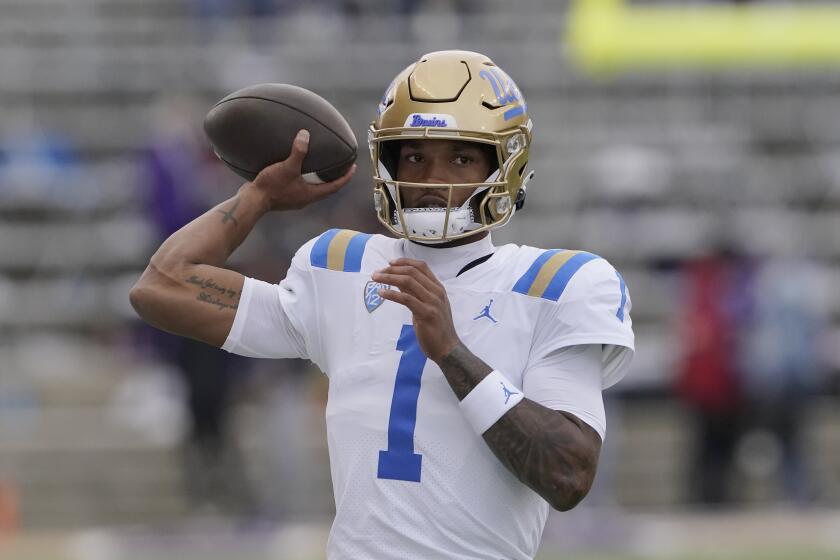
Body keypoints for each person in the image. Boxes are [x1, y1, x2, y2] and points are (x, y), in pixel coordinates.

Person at [130, 50, 634, 560]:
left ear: (506, 164)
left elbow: (568, 475)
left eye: (460, 157)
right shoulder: (340, 265)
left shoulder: (557, 284)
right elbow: (161, 286)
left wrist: (453, 353)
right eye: (413, 156)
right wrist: (258, 197)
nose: (431, 179)